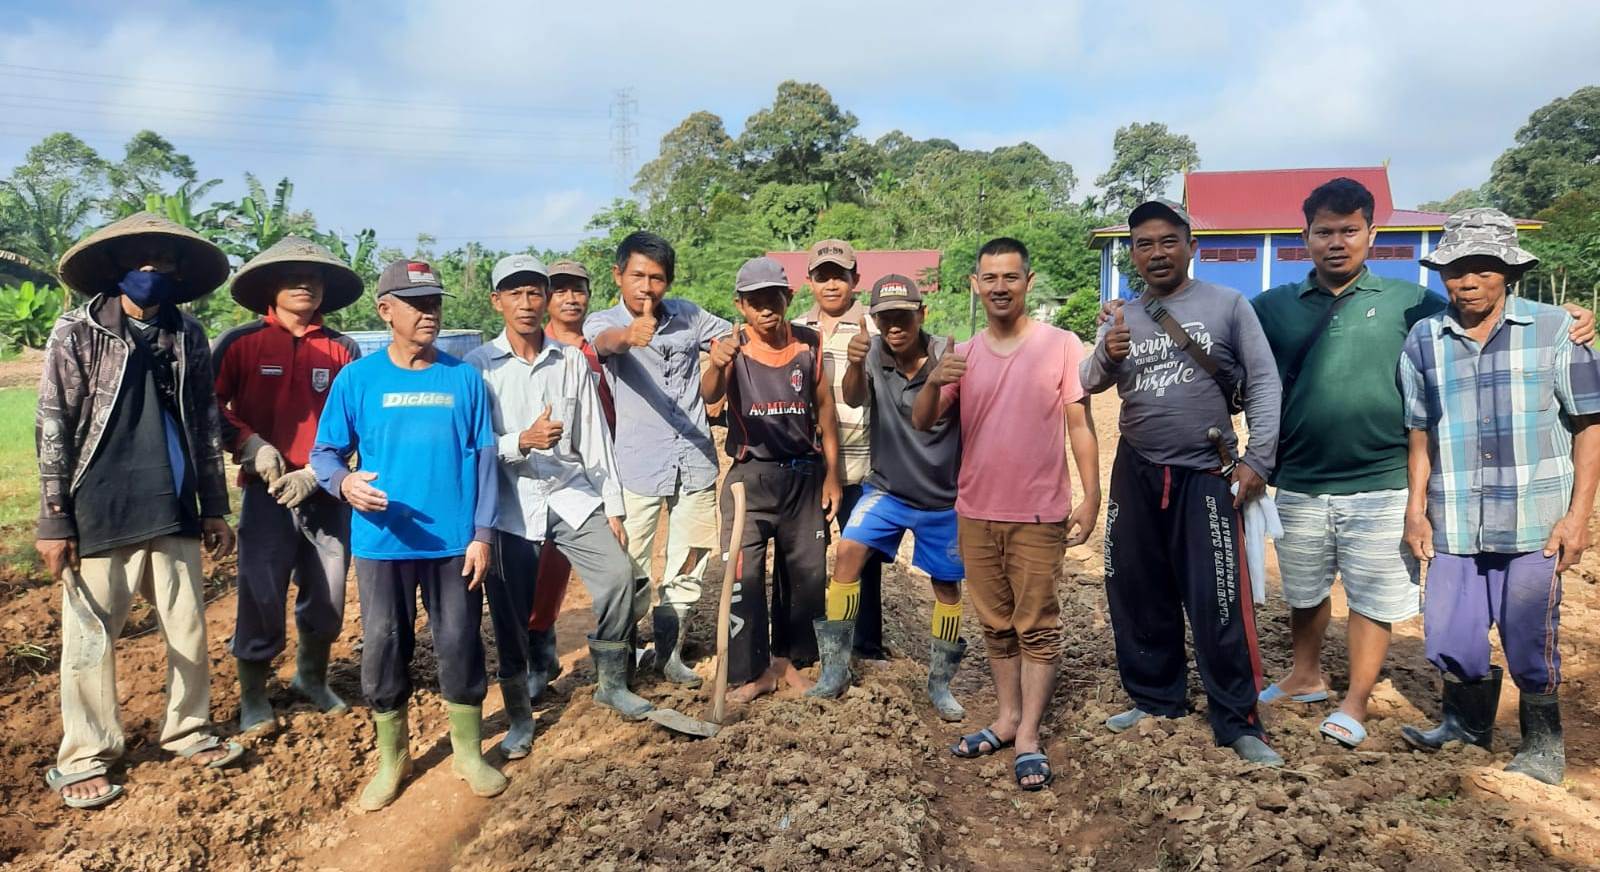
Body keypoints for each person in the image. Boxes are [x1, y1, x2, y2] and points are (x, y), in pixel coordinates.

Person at [1247, 178, 1595, 749]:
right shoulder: (1274, 306)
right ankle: (1306, 676)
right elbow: (1220, 339)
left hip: (1384, 479)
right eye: (1324, 231)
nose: (1337, 242)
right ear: (1304, 236)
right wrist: (1129, 311)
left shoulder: (1412, 302)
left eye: (1350, 230)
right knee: (1305, 589)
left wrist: (1572, 317)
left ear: (1372, 234)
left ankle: (1357, 698)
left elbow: (1491, 315)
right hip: (1302, 478)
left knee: (1372, 593)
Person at [38, 212, 242, 808]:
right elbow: (54, 422)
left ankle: (189, 729)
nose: (153, 273)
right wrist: (54, 518)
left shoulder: (187, 334)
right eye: (141, 263)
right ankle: (85, 755)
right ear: (117, 270)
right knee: (90, 638)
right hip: (99, 502)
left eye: (165, 264)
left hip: (173, 500)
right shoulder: (75, 331)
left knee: (188, 628)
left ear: (179, 275)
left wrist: (213, 506)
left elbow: (204, 421)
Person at [1398, 208, 1600, 785]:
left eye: (1483, 269)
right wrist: (1417, 511)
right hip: (1455, 516)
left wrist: (1578, 517)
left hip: (1535, 519)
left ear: (1508, 272)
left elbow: (1589, 424)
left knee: (1529, 634)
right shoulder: (1424, 339)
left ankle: (1543, 745)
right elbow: (1419, 432)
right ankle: (1465, 728)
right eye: (1456, 269)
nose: (1468, 281)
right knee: (1449, 632)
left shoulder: (1556, 330)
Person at [1081, 200, 1284, 767]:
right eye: (1143, 244)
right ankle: (1155, 698)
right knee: (1136, 588)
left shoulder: (1227, 306)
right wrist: (1106, 350)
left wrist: (1257, 460)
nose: (1156, 252)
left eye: (1167, 240)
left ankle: (1237, 719)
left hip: (1207, 472)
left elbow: (1265, 382)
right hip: (1137, 467)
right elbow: (1089, 381)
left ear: (1191, 245)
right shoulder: (1123, 314)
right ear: (1132, 255)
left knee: (1219, 596)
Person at [309, 258, 505, 811]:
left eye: (435, 303)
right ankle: (392, 758)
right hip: (381, 542)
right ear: (385, 310)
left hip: (454, 543)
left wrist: (483, 532)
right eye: (416, 304)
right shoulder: (358, 379)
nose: (429, 313)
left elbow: (484, 459)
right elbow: (324, 453)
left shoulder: (462, 377)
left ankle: (468, 753)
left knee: (460, 643)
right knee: (385, 646)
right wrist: (344, 483)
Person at [914, 237, 1099, 792]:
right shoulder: (962, 354)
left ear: (1028, 281)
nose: (1000, 287)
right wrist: (932, 378)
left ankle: (1029, 736)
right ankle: (1005, 717)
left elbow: (1080, 425)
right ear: (976, 284)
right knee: (996, 626)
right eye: (989, 278)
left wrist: (1090, 496)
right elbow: (923, 422)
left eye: (1010, 277)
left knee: (1037, 627)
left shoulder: (1061, 345)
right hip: (975, 510)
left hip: (1039, 515)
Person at [467, 254, 650, 753]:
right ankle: (521, 720)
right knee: (510, 614)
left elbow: (593, 437)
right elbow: (474, 444)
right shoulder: (478, 368)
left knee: (618, 580)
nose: (526, 304)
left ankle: (613, 684)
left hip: (572, 494)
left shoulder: (571, 360)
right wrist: (519, 441)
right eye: (514, 294)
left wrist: (612, 507)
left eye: (534, 293)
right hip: (509, 503)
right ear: (496, 301)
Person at [213, 237, 364, 736]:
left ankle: (310, 676)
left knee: (327, 593)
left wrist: (319, 473)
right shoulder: (240, 343)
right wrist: (250, 443)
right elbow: (207, 407)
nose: (306, 284)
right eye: (293, 276)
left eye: (315, 277)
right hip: (266, 493)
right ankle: (254, 694)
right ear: (268, 288)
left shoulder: (342, 349)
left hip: (326, 493)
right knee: (261, 591)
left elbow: (358, 422)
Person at [808, 273, 967, 720]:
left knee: (946, 585)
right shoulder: (873, 350)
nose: (894, 327)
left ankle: (940, 683)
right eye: (884, 319)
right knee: (847, 553)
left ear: (922, 314)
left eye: (903, 317)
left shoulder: (947, 357)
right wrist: (856, 364)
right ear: (874, 321)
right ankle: (835, 669)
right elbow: (854, 400)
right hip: (888, 488)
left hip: (941, 497)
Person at [585, 232, 731, 686]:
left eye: (658, 278)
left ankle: (669, 655)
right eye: (638, 276)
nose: (647, 287)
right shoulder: (603, 321)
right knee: (628, 566)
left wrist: (723, 351)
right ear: (618, 275)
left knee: (690, 562)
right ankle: (621, 661)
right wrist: (630, 335)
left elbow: (729, 334)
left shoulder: (689, 314)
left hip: (696, 461)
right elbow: (605, 343)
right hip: (636, 466)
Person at [701, 256, 842, 702]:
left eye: (773, 298)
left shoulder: (809, 344)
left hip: (803, 475)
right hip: (749, 480)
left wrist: (833, 477)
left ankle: (788, 662)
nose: (766, 308)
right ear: (740, 305)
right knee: (743, 579)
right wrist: (717, 364)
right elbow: (710, 396)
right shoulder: (731, 347)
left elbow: (826, 412)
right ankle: (753, 670)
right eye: (754, 300)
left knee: (805, 577)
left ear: (788, 297)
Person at [522, 259, 611, 701]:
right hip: (553, 480)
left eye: (578, 290)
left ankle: (616, 660)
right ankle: (539, 660)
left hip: (606, 471)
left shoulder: (598, 347)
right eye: (559, 291)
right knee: (546, 575)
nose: (571, 298)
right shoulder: (538, 351)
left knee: (617, 573)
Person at [792, 239, 885, 660]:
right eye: (822, 276)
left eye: (840, 276)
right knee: (809, 556)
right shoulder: (795, 329)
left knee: (860, 553)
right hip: (809, 462)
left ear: (855, 280)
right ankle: (811, 642)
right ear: (809, 281)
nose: (831, 284)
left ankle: (864, 643)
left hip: (863, 462)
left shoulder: (876, 328)